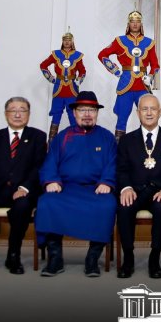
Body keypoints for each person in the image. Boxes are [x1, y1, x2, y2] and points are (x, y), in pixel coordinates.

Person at [36, 91, 118, 277]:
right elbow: (50, 162)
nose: (87, 114)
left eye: (92, 110)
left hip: (95, 189)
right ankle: (55, 258)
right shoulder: (62, 136)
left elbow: (113, 164)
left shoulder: (107, 138)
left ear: (97, 113)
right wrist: (52, 181)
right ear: (74, 113)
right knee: (47, 202)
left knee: (107, 204)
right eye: (82, 110)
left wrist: (106, 182)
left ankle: (92, 259)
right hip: (65, 188)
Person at [0, 96, 47, 276]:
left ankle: (13, 256)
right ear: (6, 114)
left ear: (28, 114)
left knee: (23, 206)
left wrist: (24, 188)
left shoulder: (37, 137)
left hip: (23, 191)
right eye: (13, 110)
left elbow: (39, 167)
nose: (18, 114)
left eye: (22, 110)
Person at [116, 93, 161, 279]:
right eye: (144, 109)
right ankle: (128, 257)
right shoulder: (126, 140)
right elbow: (121, 169)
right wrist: (126, 188)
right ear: (138, 113)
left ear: (160, 112)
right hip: (134, 191)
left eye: (153, 109)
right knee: (124, 206)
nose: (149, 113)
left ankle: (155, 258)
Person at [98, 11, 160, 139]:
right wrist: (115, 70)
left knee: (147, 118)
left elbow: (155, 65)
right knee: (122, 118)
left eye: (137, 22)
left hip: (143, 85)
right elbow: (102, 54)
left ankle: (146, 146)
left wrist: (150, 76)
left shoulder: (149, 42)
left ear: (141, 24)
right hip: (125, 84)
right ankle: (119, 147)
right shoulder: (120, 40)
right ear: (128, 24)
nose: (135, 24)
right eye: (132, 21)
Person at [39, 31, 86, 142]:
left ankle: (77, 142)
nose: (67, 42)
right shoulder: (56, 54)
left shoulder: (77, 55)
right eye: (65, 40)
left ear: (72, 41)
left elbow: (82, 71)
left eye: (69, 40)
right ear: (62, 41)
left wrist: (79, 79)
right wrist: (51, 78)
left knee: (73, 116)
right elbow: (43, 65)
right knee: (56, 116)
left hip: (72, 90)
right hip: (59, 89)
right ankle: (51, 142)